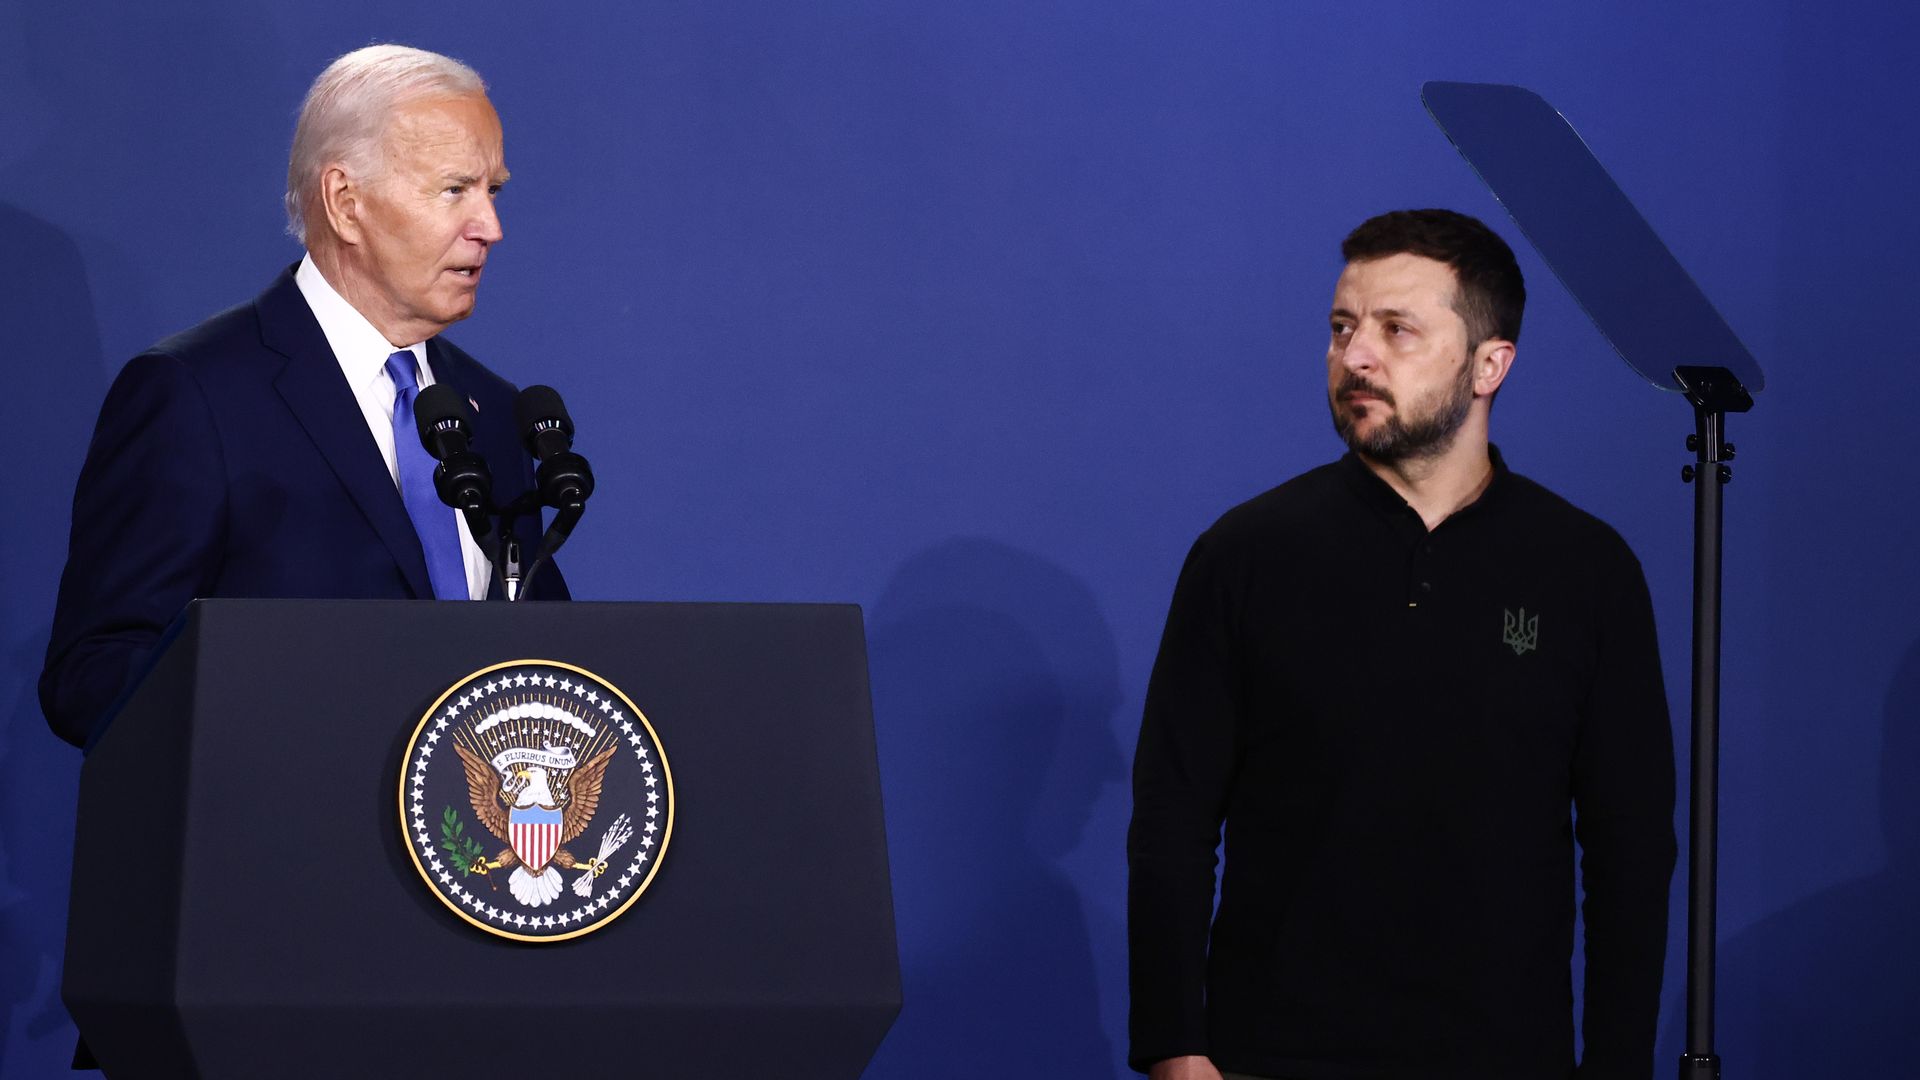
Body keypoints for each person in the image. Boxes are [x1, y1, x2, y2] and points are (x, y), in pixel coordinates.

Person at [1127, 209, 1676, 1080]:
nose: (1356, 357)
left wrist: (1616, 1068)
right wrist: (1175, 1048)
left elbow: (1630, 848)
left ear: (1490, 364)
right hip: (1274, 1052)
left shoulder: (1587, 570)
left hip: (1505, 1057)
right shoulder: (1244, 554)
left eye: (1396, 330)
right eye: (1343, 328)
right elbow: (1172, 819)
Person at [41, 44, 568, 751]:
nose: (489, 228)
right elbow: (95, 671)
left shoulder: (493, 412)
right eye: (454, 190)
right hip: (272, 843)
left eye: (493, 190)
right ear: (346, 204)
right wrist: (292, 720)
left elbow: (548, 664)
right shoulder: (198, 395)